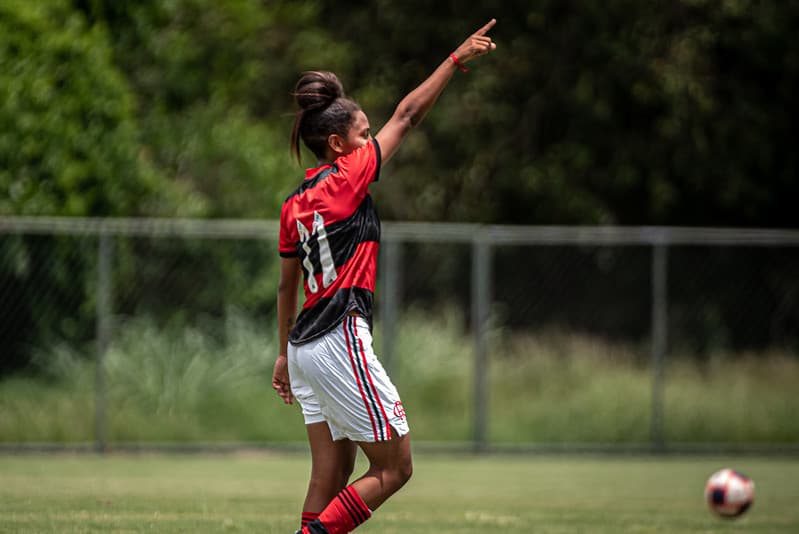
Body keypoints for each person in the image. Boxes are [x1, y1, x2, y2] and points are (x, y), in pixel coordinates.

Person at [272, 19, 497, 534]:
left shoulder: (292, 204)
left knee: (332, 473)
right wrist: (455, 59)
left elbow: (288, 286)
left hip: (304, 346)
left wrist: (283, 353)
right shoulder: (346, 179)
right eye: (364, 135)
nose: (373, 141)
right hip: (336, 338)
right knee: (396, 468)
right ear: (337, 145)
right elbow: (410, 114)